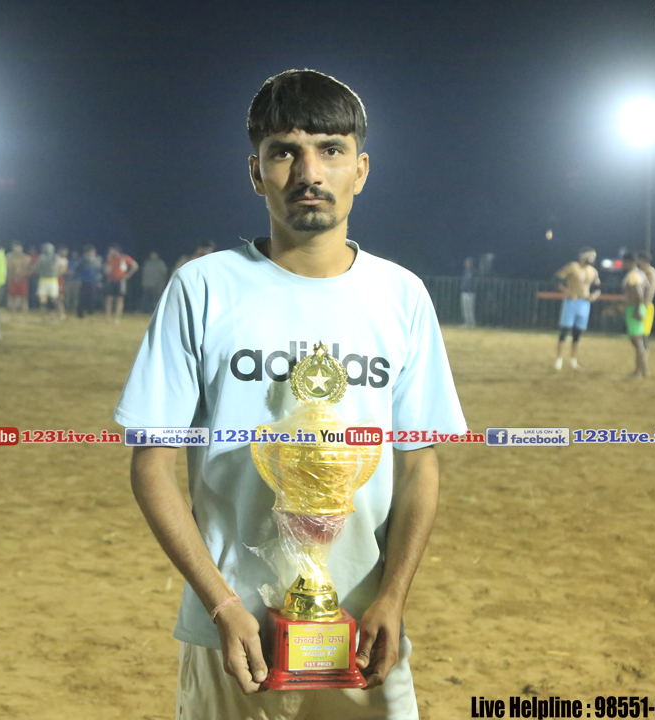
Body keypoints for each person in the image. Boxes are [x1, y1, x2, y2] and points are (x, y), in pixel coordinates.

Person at [114, 69, 466, 720]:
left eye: (331, 150)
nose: (309, 172)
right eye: (284, 152)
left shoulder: (402, 296)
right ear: (256, 172)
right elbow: (151, 465)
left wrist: (393, 598)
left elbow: (419, 465)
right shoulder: (202, 288)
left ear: (361, 169)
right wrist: (221, 604)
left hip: (363, 634)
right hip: (234, 638)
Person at [553, 248, 601, 371]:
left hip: (584, 303)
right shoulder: (572, 267)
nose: (593, 259)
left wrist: (594, 296)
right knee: (565, 330)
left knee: (577, 332)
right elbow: (557, 279)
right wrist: (567, 292)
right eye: (590, 256)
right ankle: (559, 359)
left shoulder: (593, 271)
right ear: (583, 257)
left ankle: (573, 360)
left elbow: (598, 287)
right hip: (572, 302)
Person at [622, 252, 648, 378]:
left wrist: (637, 308)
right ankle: (643, 369)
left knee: (637, 342)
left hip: (634, 309)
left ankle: (638, 372)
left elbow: (639, 292)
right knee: (637, 341)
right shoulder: (641, 274)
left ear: (629, 262)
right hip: (637, 308)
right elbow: (647, 287)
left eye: (624, 262)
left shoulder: (633, 275)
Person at [105, 246, 139, 321]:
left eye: (111, 251)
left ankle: (117, 317)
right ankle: (108, 317)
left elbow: (135, 265)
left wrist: (128, 275)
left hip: (120, 280)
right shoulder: (110, 259)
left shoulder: (124, 258)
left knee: (119, 299)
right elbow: (107, 270)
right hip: (111, 280)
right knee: (109, 298)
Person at [33, 243, 63, 318]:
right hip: (43, 279)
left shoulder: (55, 257)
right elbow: (37, 267)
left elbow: (55, 267)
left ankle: (61, 313)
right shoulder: (41, 257)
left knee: (55, 298)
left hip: (52, 280)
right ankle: (42, 312)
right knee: (42, 297)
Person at [75, 245, 103, 319]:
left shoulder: (97, 260)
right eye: (90, 252)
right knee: (82, 297)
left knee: (92, 297)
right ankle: (80, 313)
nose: (92, 253)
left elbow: (99, 272)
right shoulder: (83, 260)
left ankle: (91, 312)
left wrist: (99, 281)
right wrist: (79, 279)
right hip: (84, 281)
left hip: (93, 281)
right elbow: (78, 270)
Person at [638, 251, 655, 344]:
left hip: (646, 305)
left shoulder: (651, 273)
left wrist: (644, 307)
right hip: (642, 305)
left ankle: (644, 352)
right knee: (639, 335)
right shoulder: (643, 272)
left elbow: (650, 291)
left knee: (643, 336)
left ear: (642, 260)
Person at [6, 243, 32, 312]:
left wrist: (24, 274)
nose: (17, 250)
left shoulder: (26, 257)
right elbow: (8, 269)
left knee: (24, 296)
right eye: (15, 248)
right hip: (12, 278)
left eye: (18, 248)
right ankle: (13, 309)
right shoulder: (9, 257)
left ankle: (25, 309)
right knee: (12, 295)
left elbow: (29, 268)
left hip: (23, 278)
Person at [460, 257, 477, 328]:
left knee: (470, 308)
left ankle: (472, 323)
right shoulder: (464, 272)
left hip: (470, 292)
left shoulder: (473, 273)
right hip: (464, 291)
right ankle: (466, 322)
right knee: (465, 308)